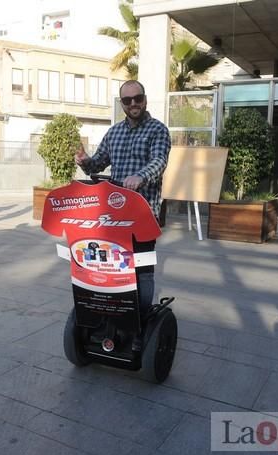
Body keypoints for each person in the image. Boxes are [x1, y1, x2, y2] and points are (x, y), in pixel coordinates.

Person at [74, 79, 170, 317]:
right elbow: (97, 163)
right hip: (114, 215)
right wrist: (85, 160)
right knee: (114, 266)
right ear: (123, 104)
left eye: (137, 98)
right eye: (127, 100)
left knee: (142, 268)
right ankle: (115, 310)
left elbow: (159, 161)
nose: (133, 104)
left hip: (143, 214)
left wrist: (140, 176)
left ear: (145, 99)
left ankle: (142, 317)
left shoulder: (158, 130)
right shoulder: (114, 132)